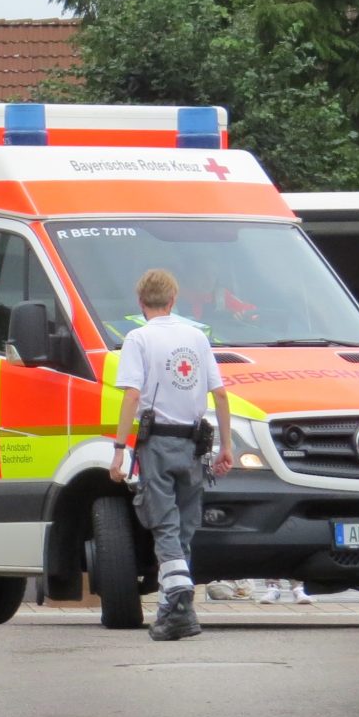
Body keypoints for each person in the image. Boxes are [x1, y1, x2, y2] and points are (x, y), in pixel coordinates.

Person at [109, 268, 234, 641]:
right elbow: (221, 394)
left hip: (158, 444)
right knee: (183, 529)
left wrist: (119, 449)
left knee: (164, 524)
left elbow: (132, 395)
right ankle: (177, 611)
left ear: (140, 302)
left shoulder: (138, 338)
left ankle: (177, 606)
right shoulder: (197, 337)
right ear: (173, 299)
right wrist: (226, 447)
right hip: (194, 446)